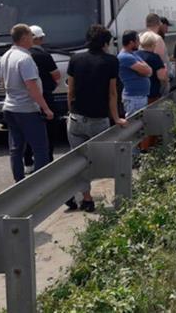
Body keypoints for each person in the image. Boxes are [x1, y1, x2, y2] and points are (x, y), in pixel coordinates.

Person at [65, 25, 127, 212]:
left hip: (76, 118)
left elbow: (70, 91)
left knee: (78, 162)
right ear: (106, 43)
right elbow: (112, 94)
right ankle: (120, 196)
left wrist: (71, 112)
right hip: (99, 119)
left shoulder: (75, 59)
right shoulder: (111, 61)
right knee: (105, 161)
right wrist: (116, 118)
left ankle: (87, 198)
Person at [0, 24, 54, 182]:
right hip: (27, 109)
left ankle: (19, 181)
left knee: (16, 148)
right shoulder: (25, 59)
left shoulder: (5, 56)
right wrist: (46, 108)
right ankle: (39, 184)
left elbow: (2, 83)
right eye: (31, 36)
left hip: (9, 107)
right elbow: (32, 87)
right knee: (40, 148)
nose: (34, 39)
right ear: (24, 38)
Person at [22, 25, 60, 173]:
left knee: (28, 131)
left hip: (25, 99)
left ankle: (28, 161)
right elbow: (56, 75)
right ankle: (48, 161)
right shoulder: (44, 55)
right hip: (45, 97)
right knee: (49, 131)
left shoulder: (21, 55)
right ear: (40, 39)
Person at [118, 30, 152, 117]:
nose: (139, 43)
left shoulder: (133, 55)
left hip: (139, 97)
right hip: (134, 98)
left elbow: (149, 70)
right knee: (135, 123)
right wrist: (144, 71)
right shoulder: (125, 57)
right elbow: (147, 71)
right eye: (137, 40)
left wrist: (144, 71)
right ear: (131, 42)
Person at [136, 31, 168, 104]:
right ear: (153, 44)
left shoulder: (135, 55)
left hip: (137, 93)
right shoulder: (155, 57)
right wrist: (165, 71)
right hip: (151, 93)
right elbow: (162, 77)